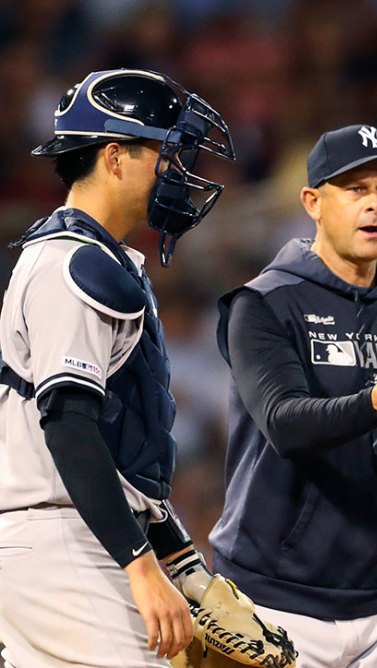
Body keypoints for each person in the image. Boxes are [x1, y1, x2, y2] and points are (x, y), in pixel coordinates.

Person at [209, 124, 377, 668]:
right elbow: (285, 423)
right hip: (272, 598)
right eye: (355, 189)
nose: (374, 205)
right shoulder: (265, 304)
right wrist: (375, 404)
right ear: (313, 202)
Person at [0, 68, 236, 666]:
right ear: (114, 156)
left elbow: (123, 447)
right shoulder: (69, 266)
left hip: (77, 533)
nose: (178, 171)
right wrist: (140, 564)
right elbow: (71, 427)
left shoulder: (104, 259)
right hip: (60, 539)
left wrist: (179, 560)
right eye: (167, 152)